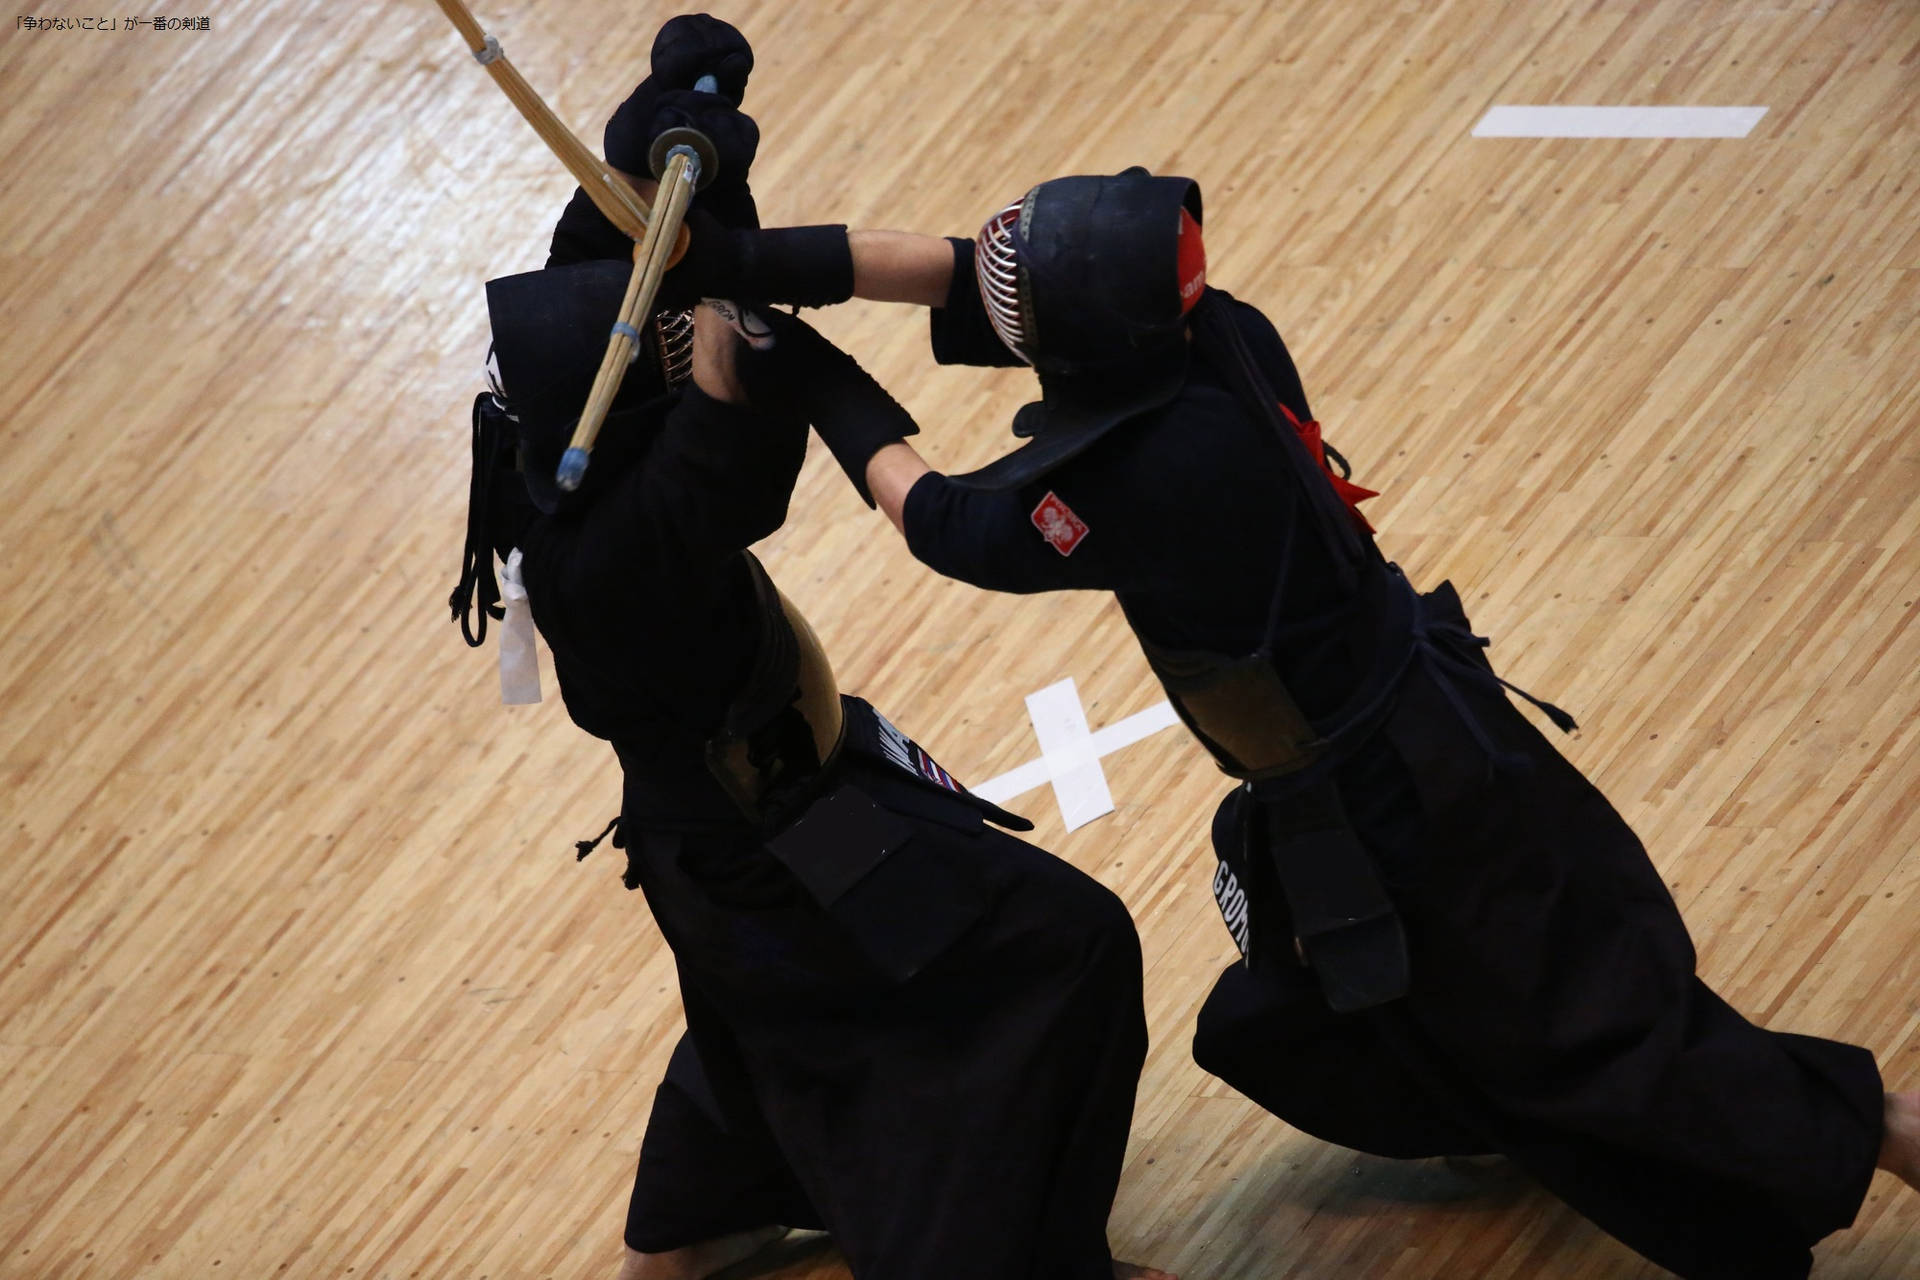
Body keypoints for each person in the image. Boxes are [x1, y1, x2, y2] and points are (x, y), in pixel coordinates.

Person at [656, 167, 1920, 1279]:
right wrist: (758, 261)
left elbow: (945, 522)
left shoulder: (1155, 475)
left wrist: (815, 378)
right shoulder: (1210, 336)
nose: (992, 276)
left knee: (1612, 1037)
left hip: (1403, 804)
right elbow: (964, 271)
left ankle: (1883, 1127)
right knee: (1358, 1021)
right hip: (1423, 739)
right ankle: (1514, 1097)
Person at [448, 25, 1172, 1280]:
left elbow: (615, 253)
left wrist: (677, 125)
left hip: (744, 823)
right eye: (656, 357)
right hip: (774, 844)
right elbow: (732, 444)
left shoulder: (561, 431)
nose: (666, 343)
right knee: (1059, 949)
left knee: (760, 1021)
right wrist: (739, 344)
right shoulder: (614, 556)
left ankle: (685, 1232)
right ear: (611, 416)